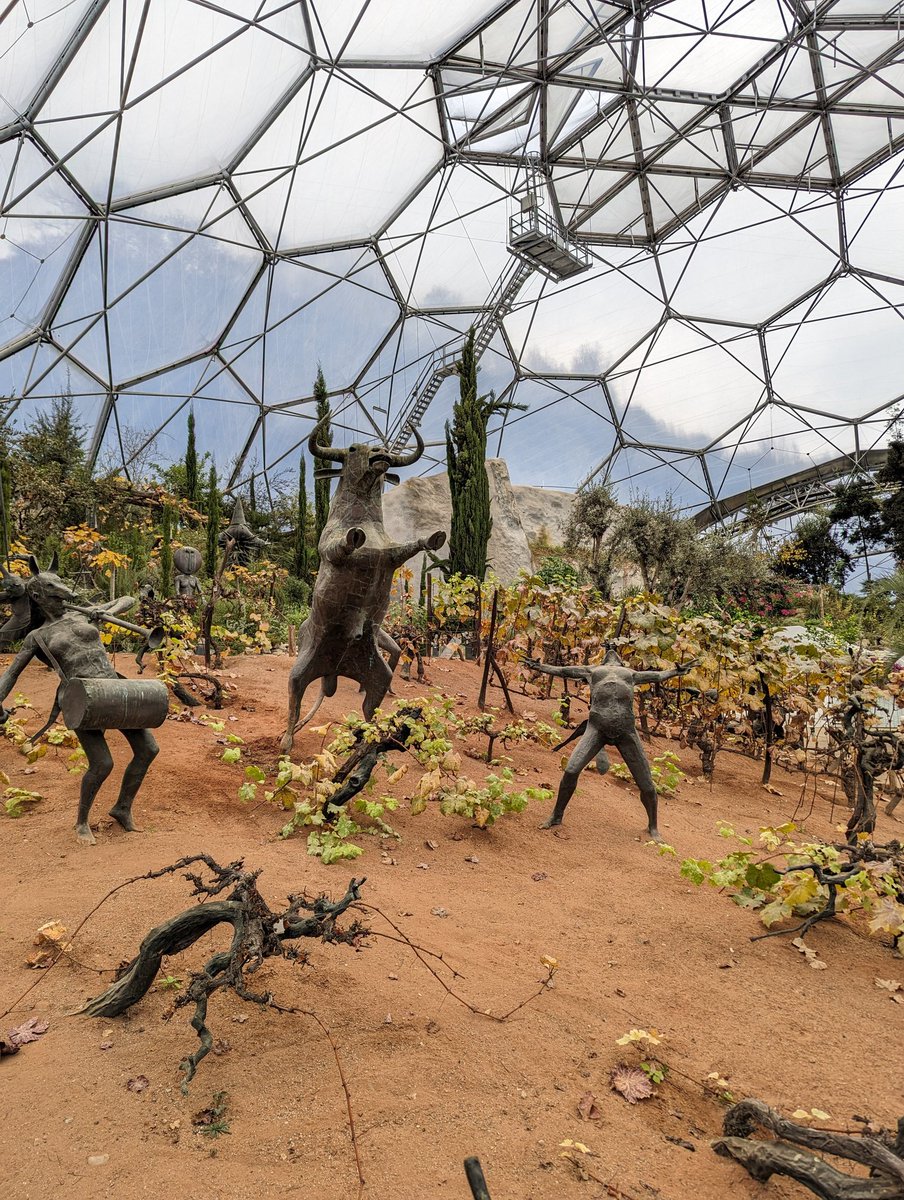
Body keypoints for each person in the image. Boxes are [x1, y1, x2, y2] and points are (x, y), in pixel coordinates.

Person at [0, 558, 159, 845]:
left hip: (113, 686)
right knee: (102, 764)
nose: (62, 592)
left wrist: (105, 610)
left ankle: (122, 808)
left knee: (148, 748)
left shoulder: (83, 615)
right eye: (53, 589)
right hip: (81, 696)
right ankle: (81, 822)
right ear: (37, 596)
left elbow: (128, 599)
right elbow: (11, 673)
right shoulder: (38, 635)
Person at [525, 648, 696, 839]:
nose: (612, 652)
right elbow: (564, 671)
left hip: (626, 732)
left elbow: (657, 676)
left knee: (647, 784)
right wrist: (541, 667)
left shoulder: (630, 674)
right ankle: (556, 815)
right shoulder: (593, 670)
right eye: (609, 652)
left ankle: (653, 826)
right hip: (596, 729)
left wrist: (675, 672)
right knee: (571, 770)